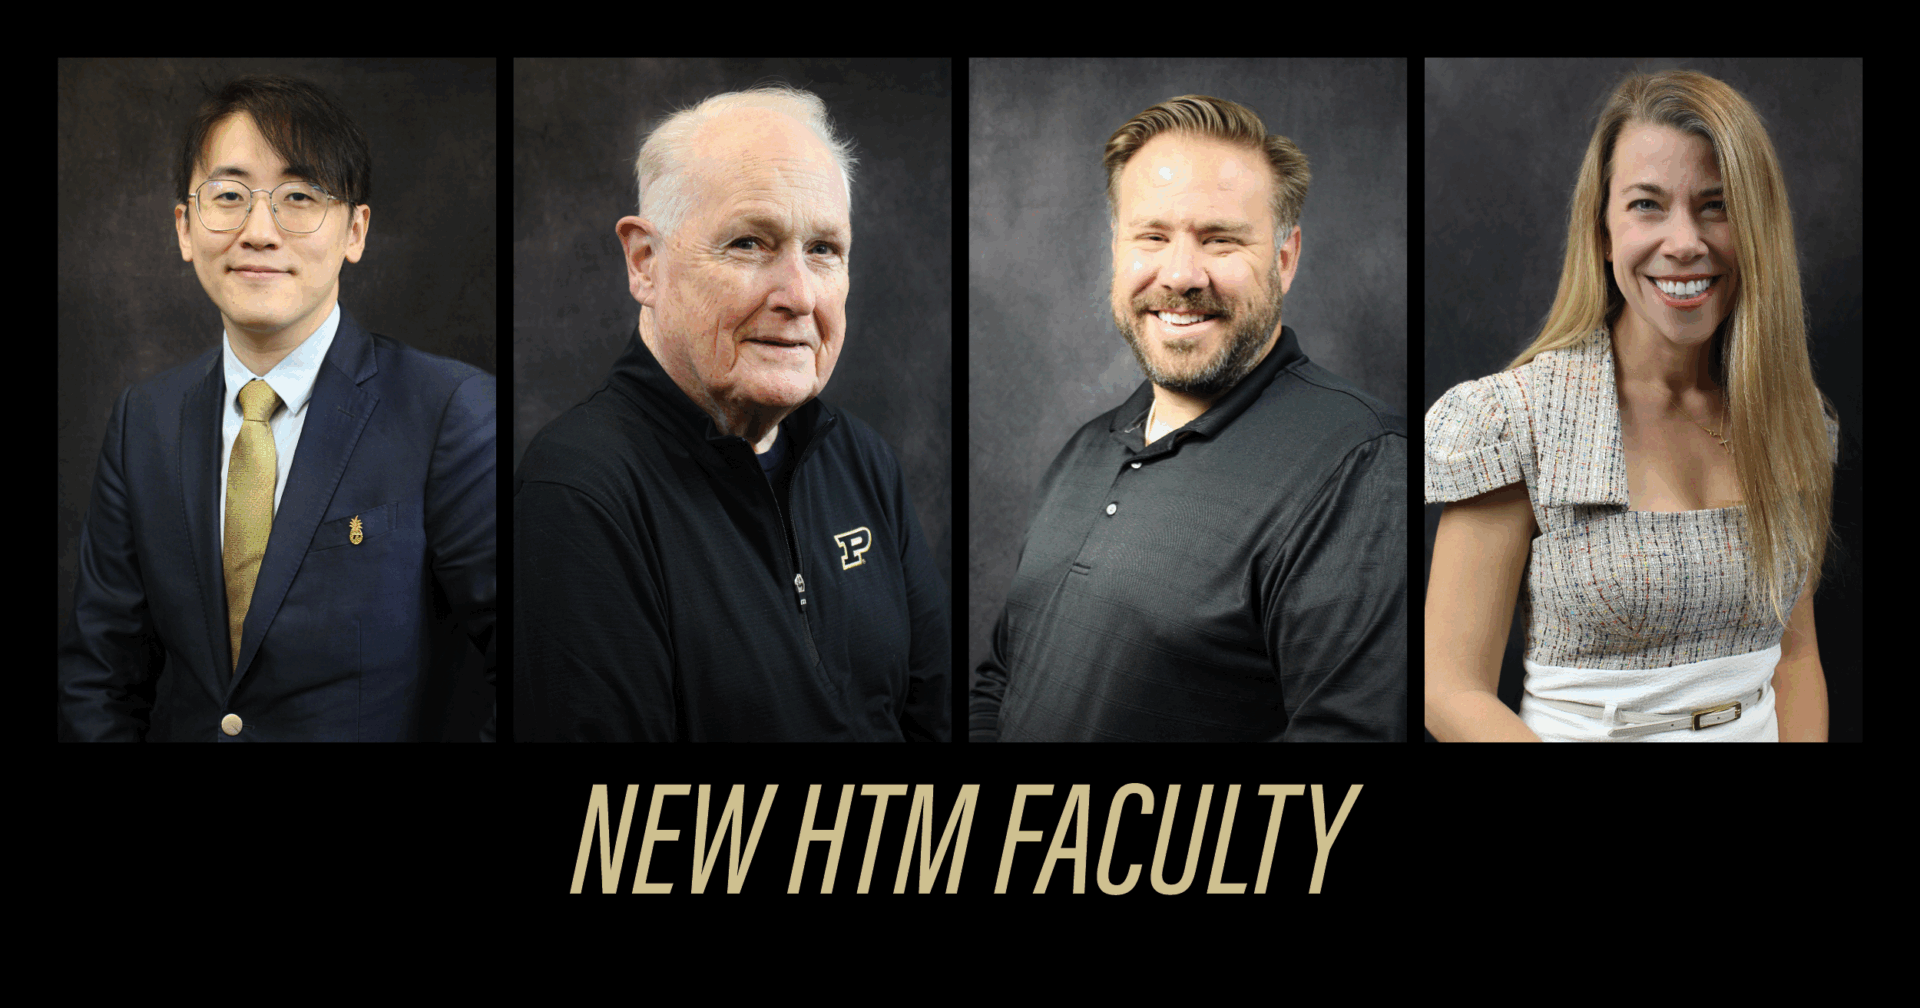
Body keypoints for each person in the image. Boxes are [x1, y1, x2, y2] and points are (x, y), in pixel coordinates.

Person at [58, 74, 497, 742]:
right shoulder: (142, 421)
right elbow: (100, 677)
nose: (259, 231)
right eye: (229, 195)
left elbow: (527, 665)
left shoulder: (448, 410)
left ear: (355, 229)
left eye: (298, 196)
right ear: (184, 226)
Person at [515, 85, 947, 742]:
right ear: (645, 263)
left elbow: (933, 720)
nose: (799, 295)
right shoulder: (580, 492)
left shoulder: (861, 462)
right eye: (750, 243)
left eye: (824, 249)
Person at [970, 94, 1406, 743]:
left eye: (1219, 239)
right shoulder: (1085, 450)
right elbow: (1003, 679)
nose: (1180, 273)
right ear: (1118, 250)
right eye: (1152, 236)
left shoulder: (1359, 461)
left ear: (1284, 259)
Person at [1424, 69, 1836, 742]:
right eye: (1647, 204)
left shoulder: (1791, 419)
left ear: (1757, 228)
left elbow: (1796, 658)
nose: (1684, 242)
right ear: (1604, 231)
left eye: (1717, 205)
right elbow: (1448, 690)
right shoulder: (1516, 420)